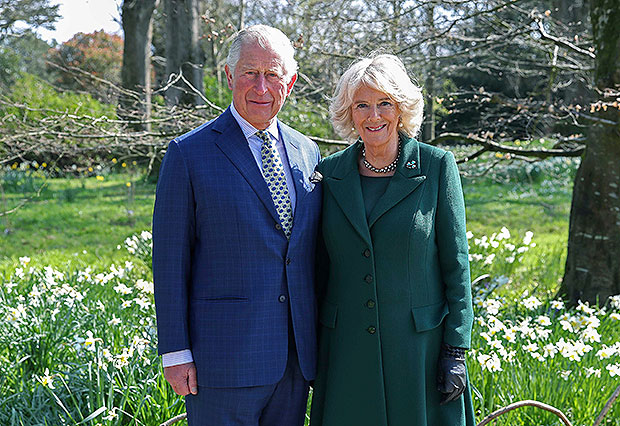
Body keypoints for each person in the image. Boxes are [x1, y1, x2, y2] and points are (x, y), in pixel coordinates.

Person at [152, 25, 322, 426]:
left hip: (295, 361)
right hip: (222, 362)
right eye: (249, 72)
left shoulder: (308, 151)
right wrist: (175, 352)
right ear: (228, 76)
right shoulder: (189, 154)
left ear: (290, 82)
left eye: (272, 74)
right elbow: (170, 260)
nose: (261, 86)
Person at [310, 53, 476, 426]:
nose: (374, 116)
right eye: (362, 105)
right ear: (348, 113)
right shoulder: (328, 174)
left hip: (420, 351)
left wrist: (456, 349)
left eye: (384, 103)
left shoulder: (435, 167)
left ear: (401, 108)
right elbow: (318, 269)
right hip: (346, 351)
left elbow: (457, 265)